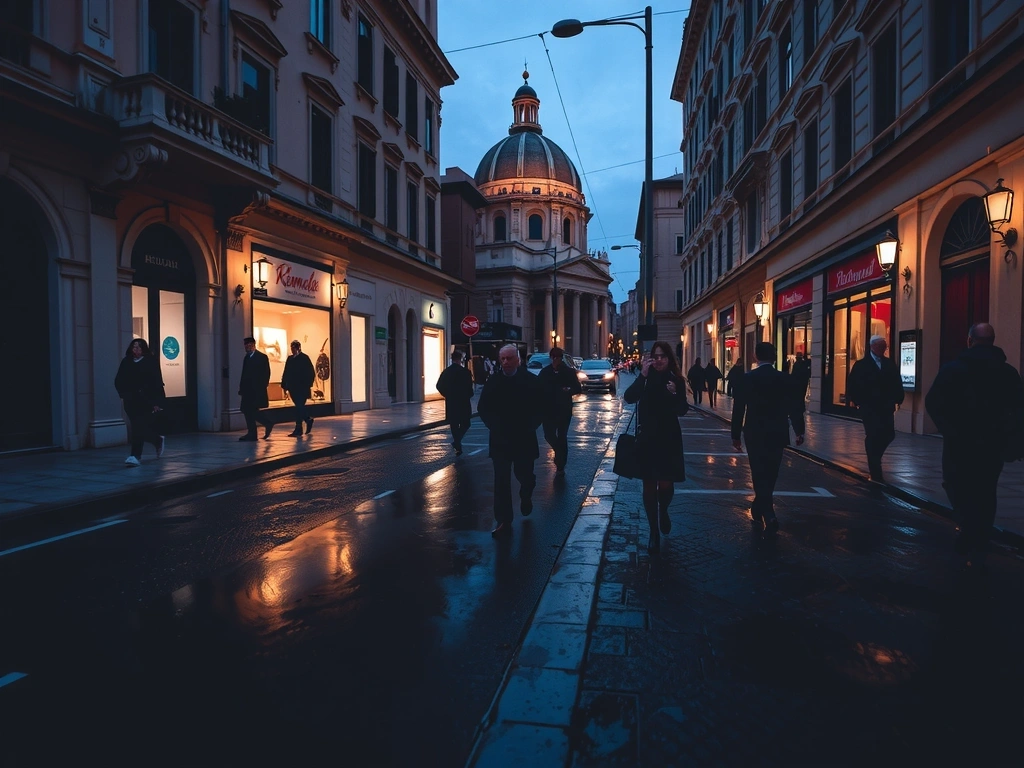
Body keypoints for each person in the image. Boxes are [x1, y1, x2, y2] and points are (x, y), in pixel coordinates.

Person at [925, 323, 1024, 569]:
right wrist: (1010, 438)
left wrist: (949, 429)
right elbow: (1018, 409)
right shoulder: (1008, 372)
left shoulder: (953, 369)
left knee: (955, 484)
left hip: (960, 442)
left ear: (969, 340)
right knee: (986, 491)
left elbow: (933, 402)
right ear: (993, 341)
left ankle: (968, 527)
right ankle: (980, 539)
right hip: (993, 444)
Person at [731, 342, 806, 534]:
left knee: (758, 470)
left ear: (756, 357)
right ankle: (764, 508)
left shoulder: (747, 378)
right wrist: (799, 430)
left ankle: (765, 509)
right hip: (777, 431)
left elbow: (738, 408)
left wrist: (735, 435)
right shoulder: (784, 378)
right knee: (772, 471)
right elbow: (794, 406)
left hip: (754, 431)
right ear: (773, 357)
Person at [623, 341, 690, 553]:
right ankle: (653, 530)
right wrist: (642, 375)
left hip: (669, 438)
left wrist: (674, 393)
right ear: (651, 359)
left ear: (669, 359)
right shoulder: (645, 378)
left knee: (666, 484)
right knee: (649, 485)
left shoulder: (676, 380)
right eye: (656, 356)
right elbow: (628, 397)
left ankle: (664, 510)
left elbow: (682, 410)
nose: (659, 360)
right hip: (647, 439)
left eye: (663, 356)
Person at [477, 344, 544, 538]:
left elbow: (540, 407)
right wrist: (494, 425)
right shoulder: (494, 382)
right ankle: (503, 520)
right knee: (501, 481)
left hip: (524, 438)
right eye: (503, 359)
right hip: (501, 440)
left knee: (525, 476)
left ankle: (526, 494)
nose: (505, 362)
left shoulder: (530, 381)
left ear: (517, 360)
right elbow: (483, 408)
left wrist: (530, 425)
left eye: (509, 358)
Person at [846, 334, 905, 481]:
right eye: (880, 346)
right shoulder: (861, 365)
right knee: (873, 435)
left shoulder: (889, 364)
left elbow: (897, 382)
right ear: (872, 346)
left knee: (889, 434)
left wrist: (898, 398)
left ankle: (875, 457)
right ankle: (875, 468)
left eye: (884, 346)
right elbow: (853, 384)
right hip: (869, 407)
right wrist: (858, 401)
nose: (883, 349)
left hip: (886, 406)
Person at [114, 338, 166, 466]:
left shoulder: (150, 361)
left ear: (143, 349)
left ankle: (135, 455)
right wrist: (123, 394)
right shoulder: (126, 361)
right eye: (134, 347)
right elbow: (119, 380)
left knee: (138, 426)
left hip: (146, 400)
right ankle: (156, 440)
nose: (136, 349)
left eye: (139, 347)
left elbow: (157, 382)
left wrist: (157, 402)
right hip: (131, 400)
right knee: (138, 427)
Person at [537, 346, 582, 474]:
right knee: (549, 435)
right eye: (554, 357)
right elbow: (538, 388)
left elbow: (577, 388)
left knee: (562, 436)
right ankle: (559, 452)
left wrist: (568, 390)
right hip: (548, 409)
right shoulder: (545, 372)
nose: (556, 360)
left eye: (559, 357)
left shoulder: (568, 372)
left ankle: (561, 464)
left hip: (563, 409)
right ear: (551, 358)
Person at [436, 349, 475, 455]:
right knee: (466, 423)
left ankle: (457, 444)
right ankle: (457, 442)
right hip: (463, 402)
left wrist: (447, 395)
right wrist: (468, 395)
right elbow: (470, 388)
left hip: (452, 402)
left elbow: (439, 385)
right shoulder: (465, 372)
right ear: (460, 359)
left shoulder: (446, 372)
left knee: (454, 424)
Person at [238, 335, 273, 441]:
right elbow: (244, 374)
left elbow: (266, 373)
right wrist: (241, 388)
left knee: (251, 410)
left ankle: (263, 425)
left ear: (253, 345)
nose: (247, 347)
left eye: (249, 345)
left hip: (256, 390)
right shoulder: (247, 358)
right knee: (246, 410)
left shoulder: (261, 357)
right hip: (247, 390)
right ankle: (253, 432)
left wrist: (262, 387)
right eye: (246, 346)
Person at [281, 340, 315, 437]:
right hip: (293, 387)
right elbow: (286, 371)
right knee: (298, 407)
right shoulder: (290, 359)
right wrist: (284, 384)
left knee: (299, 406)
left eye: (294, 348)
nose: (293, 350)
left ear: (298, 348)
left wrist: (307, 384)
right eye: (291, 348)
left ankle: (300, 427)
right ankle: (306, 421)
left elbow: (311, 372)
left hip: (302, 388)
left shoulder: (304, 358)